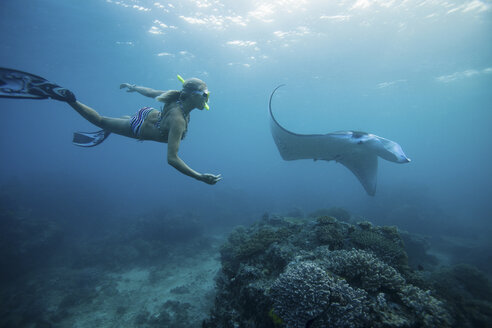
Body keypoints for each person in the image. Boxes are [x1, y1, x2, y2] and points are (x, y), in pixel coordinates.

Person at [0, 67, 221, 185]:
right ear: (192, 96)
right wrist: (199, 177)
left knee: (123, 121)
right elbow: (172, 159)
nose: (207, 99)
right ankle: (68, 98)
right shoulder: (179, 120)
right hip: (141, 128)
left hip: (148, 115)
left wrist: (133, 87)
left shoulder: (176, 99)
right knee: (100, 121)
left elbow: (151, 92)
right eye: (204, 95)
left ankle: (120, 123)